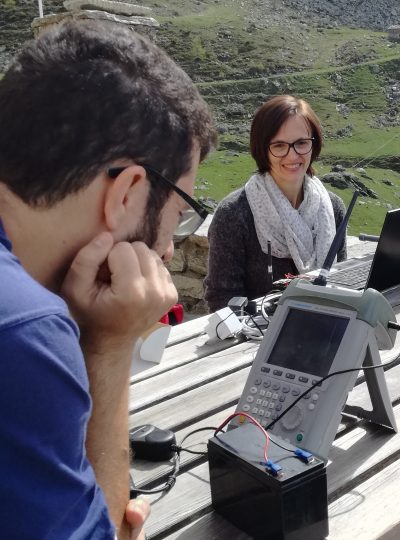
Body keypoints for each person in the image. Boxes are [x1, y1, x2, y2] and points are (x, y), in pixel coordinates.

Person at [0, 20, 216, 539]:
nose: (168, 247)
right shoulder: (25, 333)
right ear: (127, 192)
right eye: (179, 211)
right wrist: (111, 346)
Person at [205, 95, 347, 311]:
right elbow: (221, 299)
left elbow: (342, 282)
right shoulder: (234, 214)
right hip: (256, 338)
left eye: (301, 143)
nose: (292, 156)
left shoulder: (333, 208)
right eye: (279, 145)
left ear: (313, 144)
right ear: (262, 149)